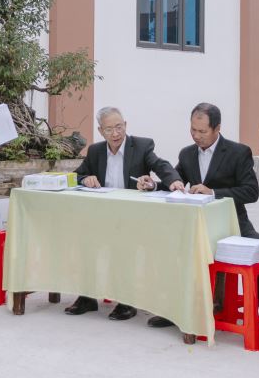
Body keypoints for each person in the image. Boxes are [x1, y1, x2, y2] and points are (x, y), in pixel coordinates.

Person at [148, 102, 259, 329]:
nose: (196, 136)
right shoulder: (187, 153)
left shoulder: (238, 152)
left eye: (202, 131)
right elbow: (175, 183)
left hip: (232, 223)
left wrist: (213, 192)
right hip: (195, 225)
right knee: (168, 250)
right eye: (193, 130)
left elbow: (251, 192)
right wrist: (152, 185)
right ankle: (175, 310)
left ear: (217, 128)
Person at [66, 106, 183, 320]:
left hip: (133, 217)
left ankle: (127, 300)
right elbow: (76, 176)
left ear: (126, 125)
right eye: (109, 129)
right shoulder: (95, 151)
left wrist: (173, 180)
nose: (115, 133)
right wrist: (85, 179)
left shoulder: (141, 146)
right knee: (84, 239)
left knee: (122, 243)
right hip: (103, 216)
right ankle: (87, 297)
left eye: (119, 127)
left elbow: (160, 165)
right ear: (101, 131)